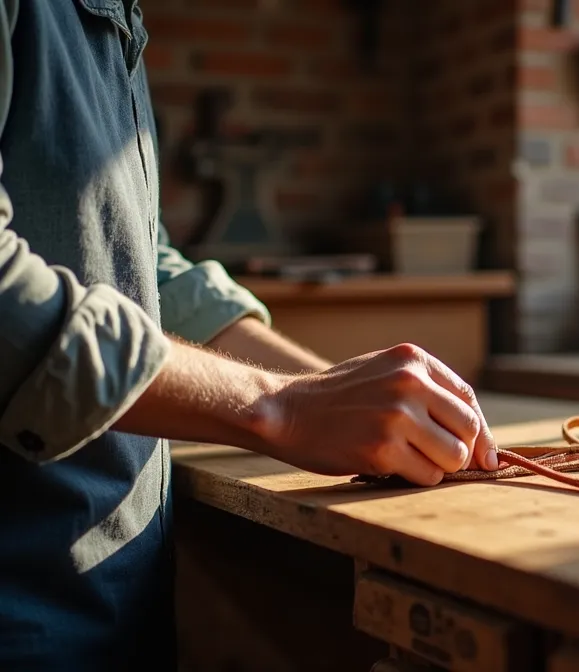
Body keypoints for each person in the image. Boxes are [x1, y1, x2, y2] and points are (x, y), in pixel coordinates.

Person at [0, 1, 500, 669]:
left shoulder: (112, 17)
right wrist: (281, 406)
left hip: (111, 600)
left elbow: (141, 264)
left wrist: (326, 387)